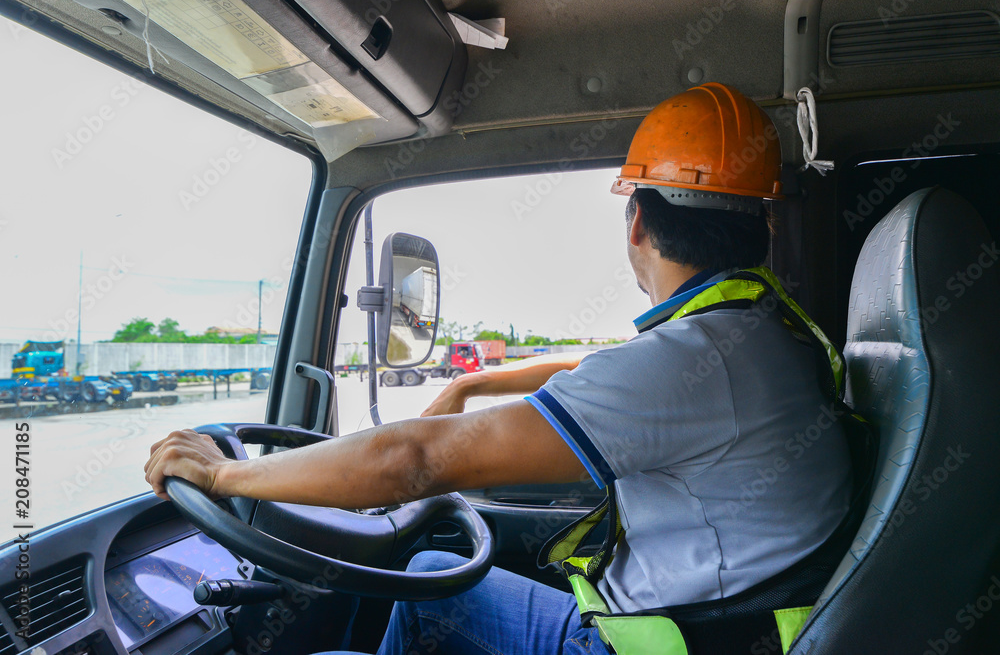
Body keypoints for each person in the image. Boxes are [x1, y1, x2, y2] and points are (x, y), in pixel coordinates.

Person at [144, 83, 852, 655]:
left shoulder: (691, 358)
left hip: (653, 643)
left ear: (636, 220)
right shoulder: (759, 334)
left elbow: (415, 459)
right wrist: (472, 382)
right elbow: (594, 368)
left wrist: (224, 475)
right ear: (761, 225)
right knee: (432, 573)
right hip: (710, 628)